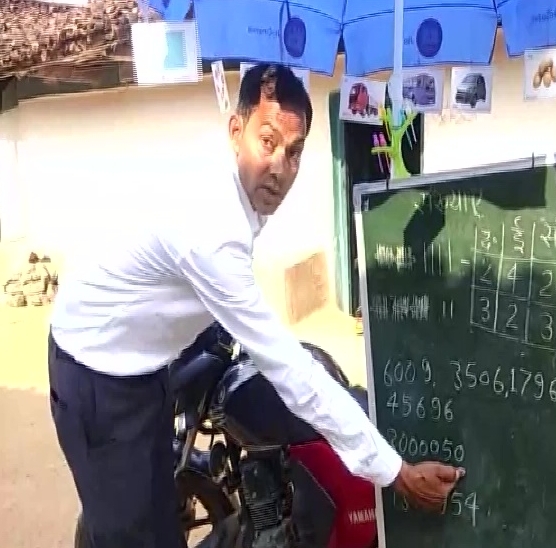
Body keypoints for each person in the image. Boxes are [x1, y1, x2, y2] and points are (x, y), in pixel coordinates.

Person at [48, 63, 464, 548]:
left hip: (144, 340)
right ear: (236, 130)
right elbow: (290, 370)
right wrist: (394, 472)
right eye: (267, 142)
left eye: (294, 152)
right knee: (139, 536)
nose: (280, 168)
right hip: (99, 374)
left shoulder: (236, 189)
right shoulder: (211, 227)